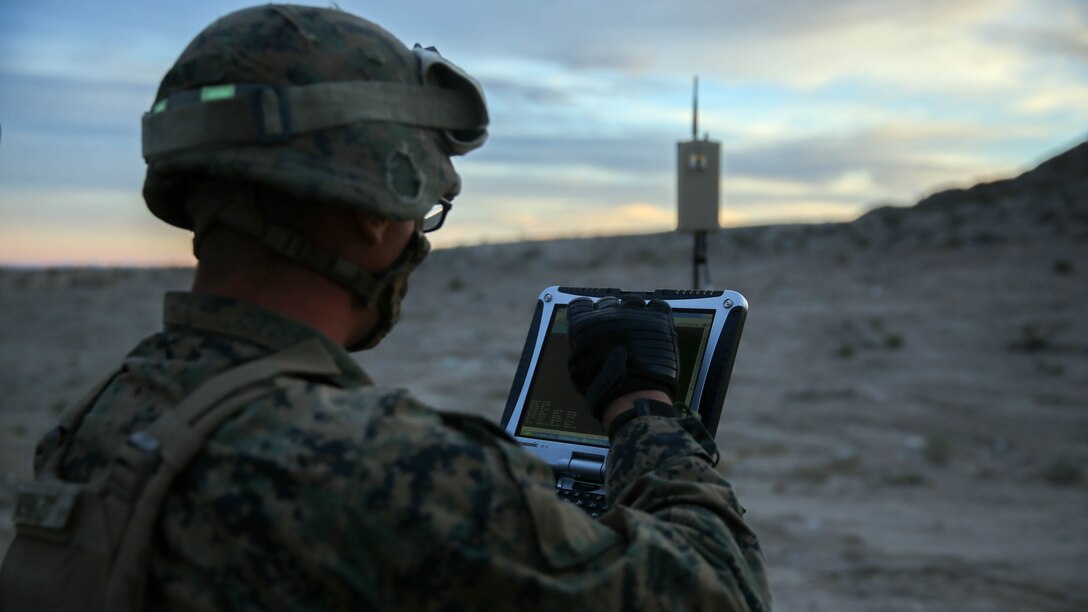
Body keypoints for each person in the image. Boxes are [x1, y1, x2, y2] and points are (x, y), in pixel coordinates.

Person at [0, 5, 770, 610]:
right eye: (426, 209)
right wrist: (640, 403)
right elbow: (716, 592)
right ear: (376, 211)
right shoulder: (384, 466)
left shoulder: (110, 410)